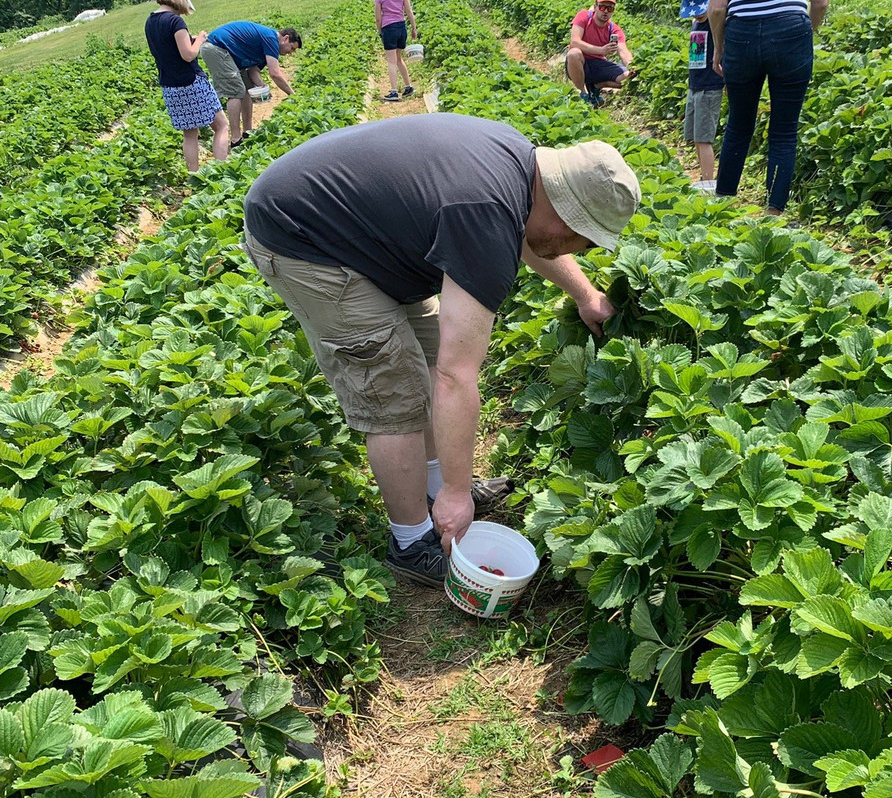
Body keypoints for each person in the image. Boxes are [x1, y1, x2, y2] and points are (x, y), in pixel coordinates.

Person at [243, 113, 640, 587]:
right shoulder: (486, 213)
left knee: (427, 355)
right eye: (584, 238)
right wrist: (459, 491)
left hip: (355, 231)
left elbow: (535, 237)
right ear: (565, 210)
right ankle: (410, 541)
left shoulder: (522, 168)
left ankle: (434, 492)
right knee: (393, 393)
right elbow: (457, 375)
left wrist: (583, 294)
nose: (583, 250)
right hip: (302, 238)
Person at [707, 0, 829, 213]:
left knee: (738, 125)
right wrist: (803, 34)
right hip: (791, 25)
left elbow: (716, 8)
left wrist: (718, 48)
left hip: (741, 31)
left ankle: (722, 206)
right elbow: (820, 3)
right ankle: (773, 214)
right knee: (784, 131)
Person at [144, 0, 228, 173]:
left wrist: (190, 41)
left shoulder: (150, 21)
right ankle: (221, 171)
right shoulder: (175, 21)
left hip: (170, 86)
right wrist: (199, 40)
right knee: (221, 125)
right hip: (190, 83)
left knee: (190, 133)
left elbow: (168, 48)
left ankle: (194, 174)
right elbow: (188, 55)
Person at [200, 21, 302, 148]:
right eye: (291, 48)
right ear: (285, 38)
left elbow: (253, 71)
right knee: (236, 91)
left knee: (248, 87)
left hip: (229, 54)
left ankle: (247, 132)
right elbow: (275, 73)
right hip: (216, 48)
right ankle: (236, 140)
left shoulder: (269, 44)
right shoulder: (271, 38)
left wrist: (261, 84)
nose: (290, 52)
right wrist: (292, 95)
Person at [681, 0, 725, 192]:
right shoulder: (696, 22)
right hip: (695, 85)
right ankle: (703, 177)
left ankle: (709, 182)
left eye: (700, 10)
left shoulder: (715, 23)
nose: (697, 14)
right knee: (695, 136)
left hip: (710, 86)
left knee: (704, 138)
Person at [566, 0, 634, 108]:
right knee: (574, 53)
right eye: (602, 7)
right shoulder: (583, 16)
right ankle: (583, 93)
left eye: (610, 8)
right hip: (580, 64)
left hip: (599, 65)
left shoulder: (614, 29)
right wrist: (601, 50)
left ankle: (596, 86)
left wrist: (632, 65)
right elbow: (574, 42)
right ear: (596, 6)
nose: (605, 11)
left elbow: (623, 50)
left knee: (628, 77)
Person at [374, 0, 418, 102]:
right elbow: (408, 10)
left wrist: (380, 32)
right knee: (399, 59)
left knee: (391, 61)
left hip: (389, 28)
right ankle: (408, 87)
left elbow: (378, 19)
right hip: (401, 27)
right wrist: (413, 28)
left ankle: (394, 92)